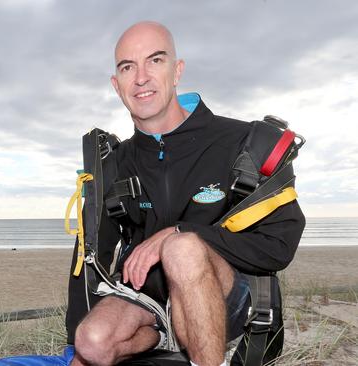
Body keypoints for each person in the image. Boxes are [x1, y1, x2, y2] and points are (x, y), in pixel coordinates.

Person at [68, 21, 305, 366]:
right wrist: (77, 349)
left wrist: (179, 234)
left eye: (155, 60)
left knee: (182, 249)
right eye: (127, 67)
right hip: (152, 305)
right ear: (116, 84)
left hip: (233, 299)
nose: (141, 77)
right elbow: (89, 258)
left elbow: (280, 247)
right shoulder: (114, 163)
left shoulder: (244, 145)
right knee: (92, 340)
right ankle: (166, 337)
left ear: (177, 71)